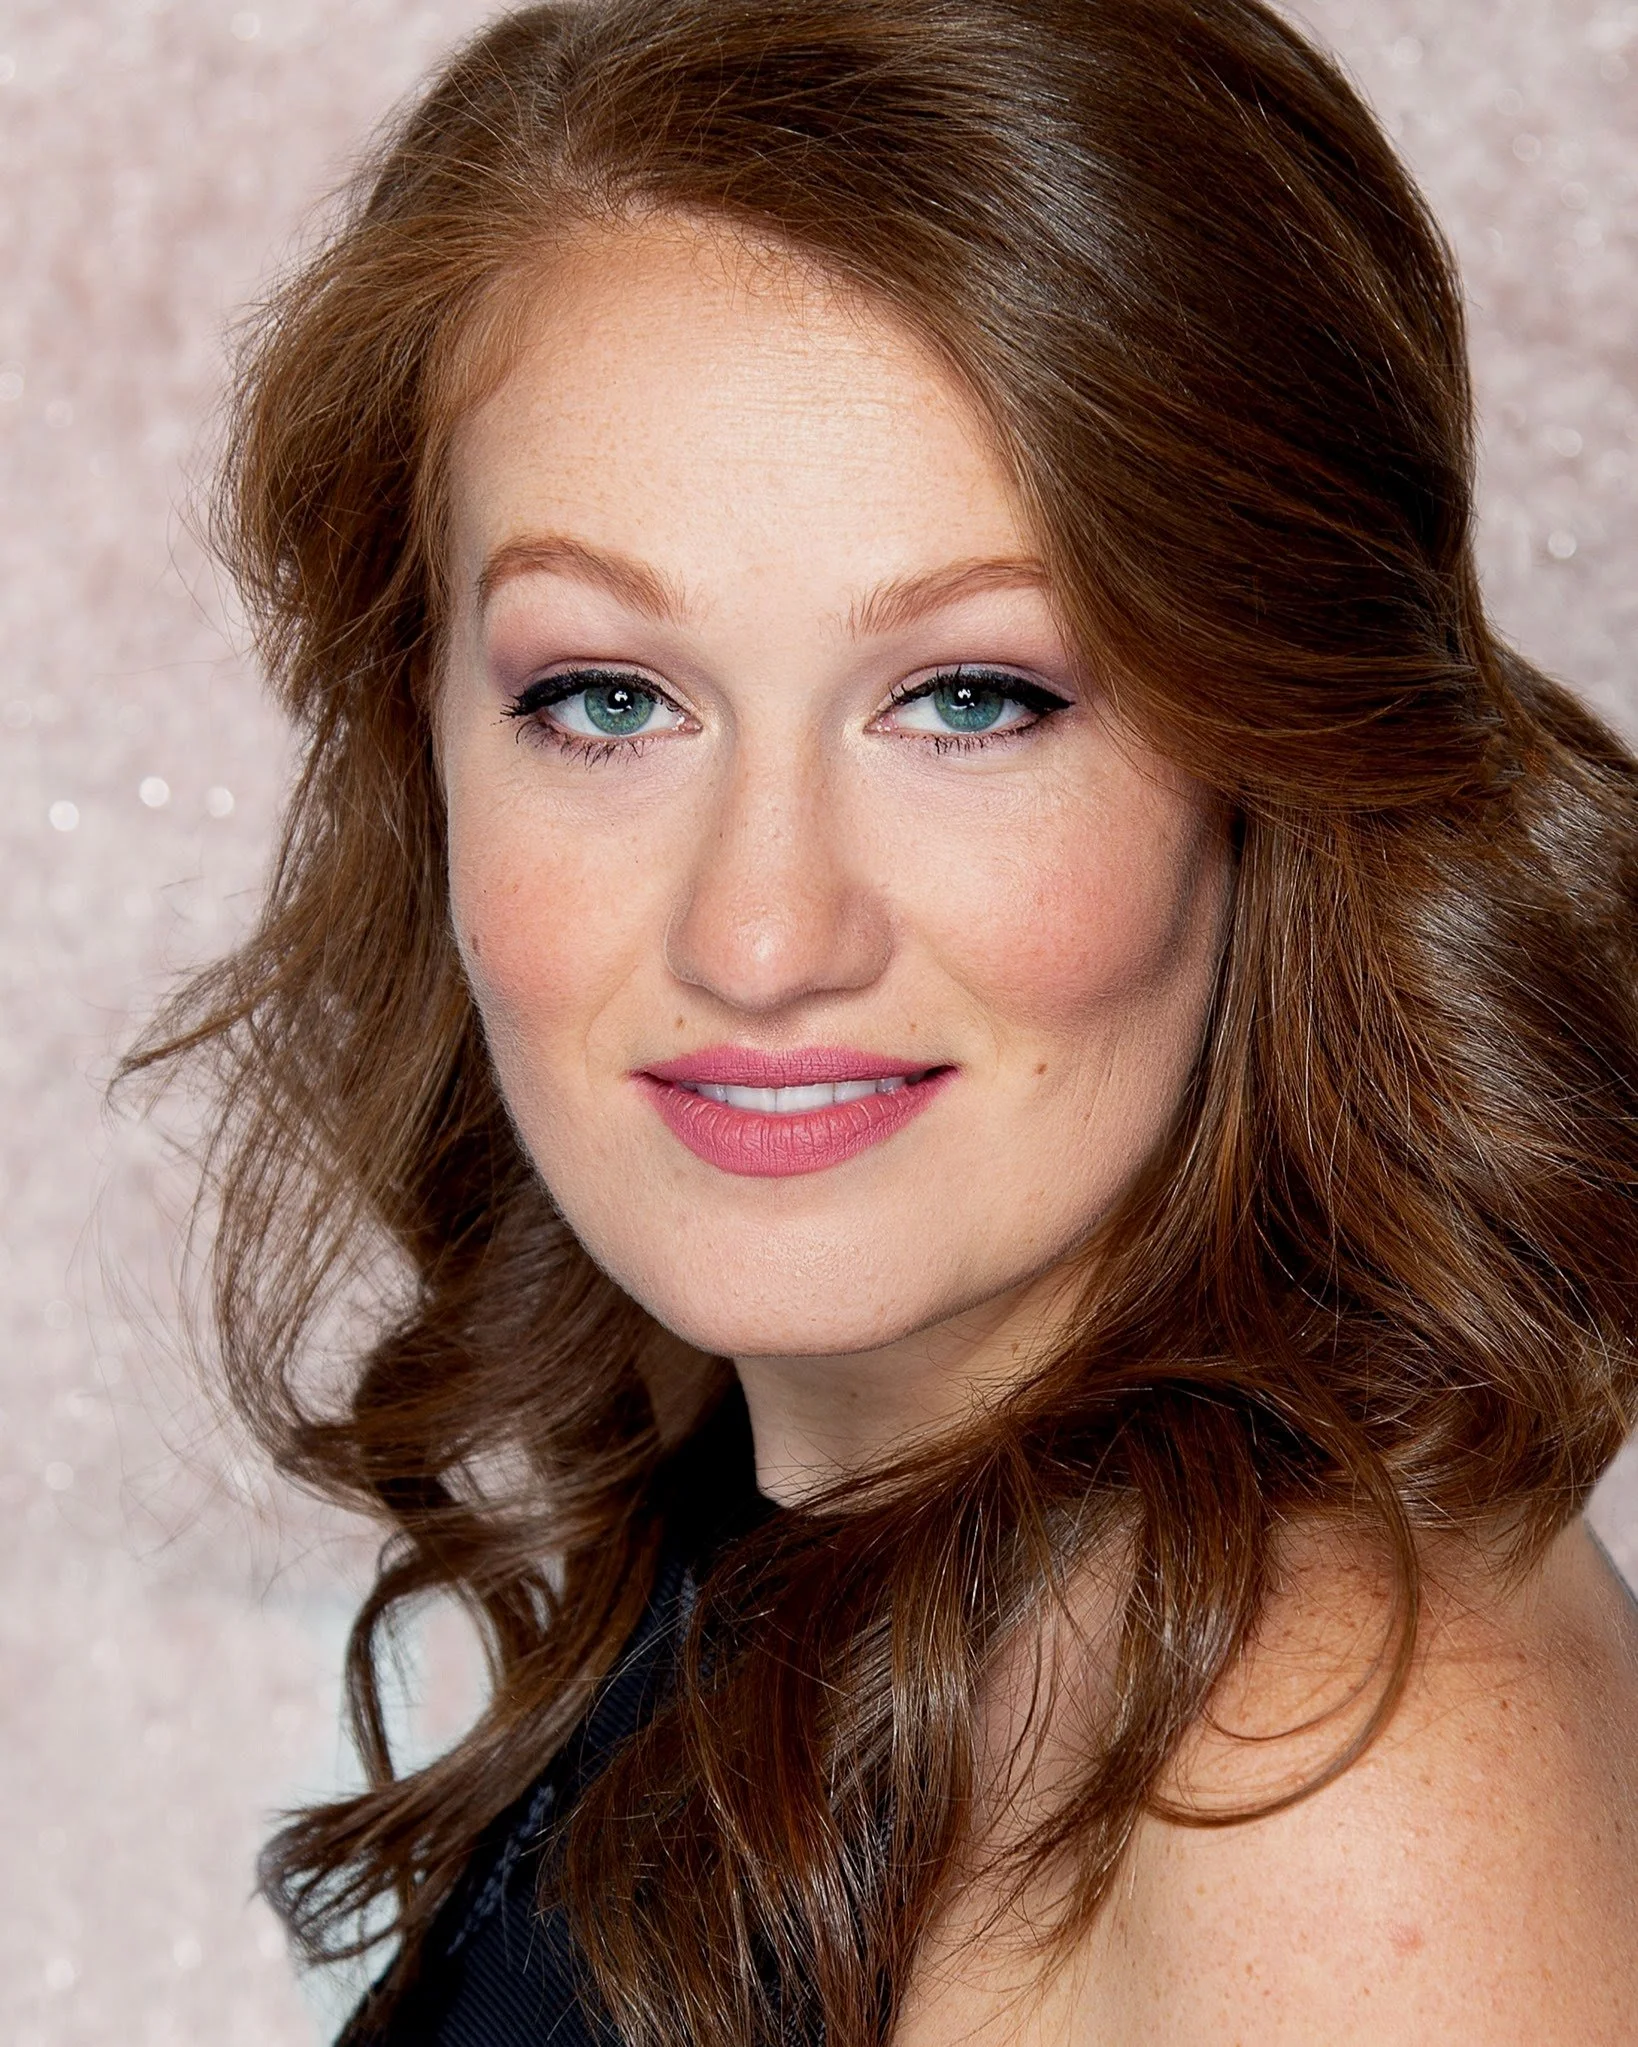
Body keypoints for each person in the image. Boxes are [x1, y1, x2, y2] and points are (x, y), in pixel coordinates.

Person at [124, 0, 1638, 2040]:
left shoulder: (1328, 1756)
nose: (761, 935)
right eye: (605, 697)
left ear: (1272, 760)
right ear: (433, 747)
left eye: (972, 697)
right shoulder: (826, 1548)